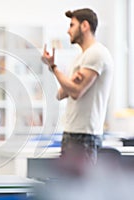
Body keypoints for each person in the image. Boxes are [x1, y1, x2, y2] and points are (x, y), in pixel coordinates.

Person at [42, 8, 113, 173]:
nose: (68, 30)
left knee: (83, 192)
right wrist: (70, 82)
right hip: (72, 134)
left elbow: (75, 92)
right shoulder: (81, 56)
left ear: (85, 26)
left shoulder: (96, 54)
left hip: (85, 136)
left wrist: (53, 67)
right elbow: (61, 93)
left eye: (72, 25)